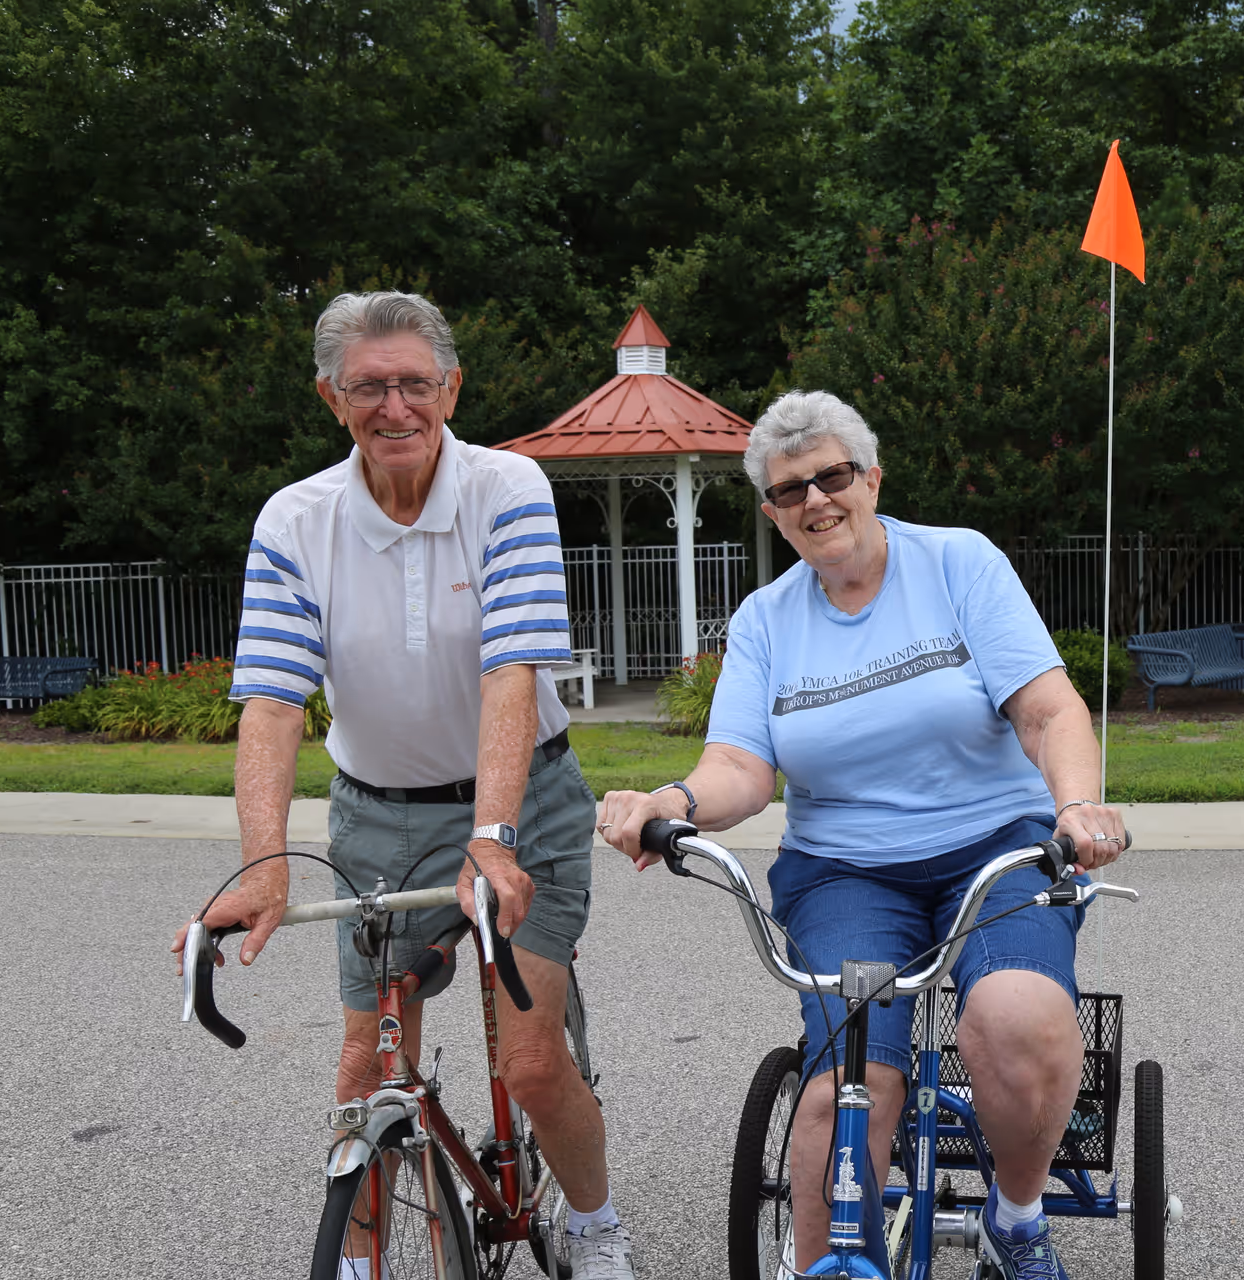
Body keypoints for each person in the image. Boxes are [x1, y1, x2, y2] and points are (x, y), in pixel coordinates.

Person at [594, 389, 1128, 1280]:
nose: (815, 500)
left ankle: (1019, 1217)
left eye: (832, 476)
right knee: (850, 1087)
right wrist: (672, 798)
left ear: (871, 478)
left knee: (1017, 1018)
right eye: (789, 490)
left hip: (995, 845)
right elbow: (742, 769)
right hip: (845, 873)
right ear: (772, 511)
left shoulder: (959, 563)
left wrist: (1076, 804)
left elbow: (1046, 709)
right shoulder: (767, 620)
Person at [168, 291, 636, 1279]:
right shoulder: (297, 519)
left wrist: (494, 832)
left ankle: (593, 1223)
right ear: (332, 399)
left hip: (528, 800)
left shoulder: (507, 488)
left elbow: (512, 669)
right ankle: (362, 1253)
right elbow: (273, 701)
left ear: (451, 388)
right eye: (368, 386)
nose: (394, 406)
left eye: (414, 383)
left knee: (533, 1061)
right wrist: (261, 867)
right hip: (377, 808)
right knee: (364, 1063)